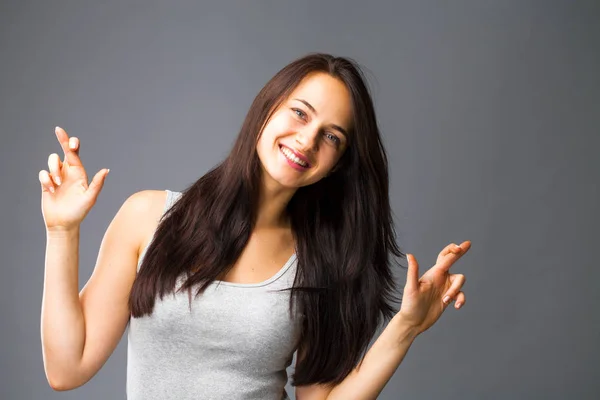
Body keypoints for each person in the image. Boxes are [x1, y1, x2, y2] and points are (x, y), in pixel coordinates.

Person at [39, 53, 470, 399]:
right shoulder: (148, 218)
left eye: (332, 137)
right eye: (300, 114)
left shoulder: (319, 266)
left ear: (337, 165)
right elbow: (67, 367)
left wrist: (406, 328)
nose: (307, 140)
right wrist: (62, 232)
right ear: (267, 108)